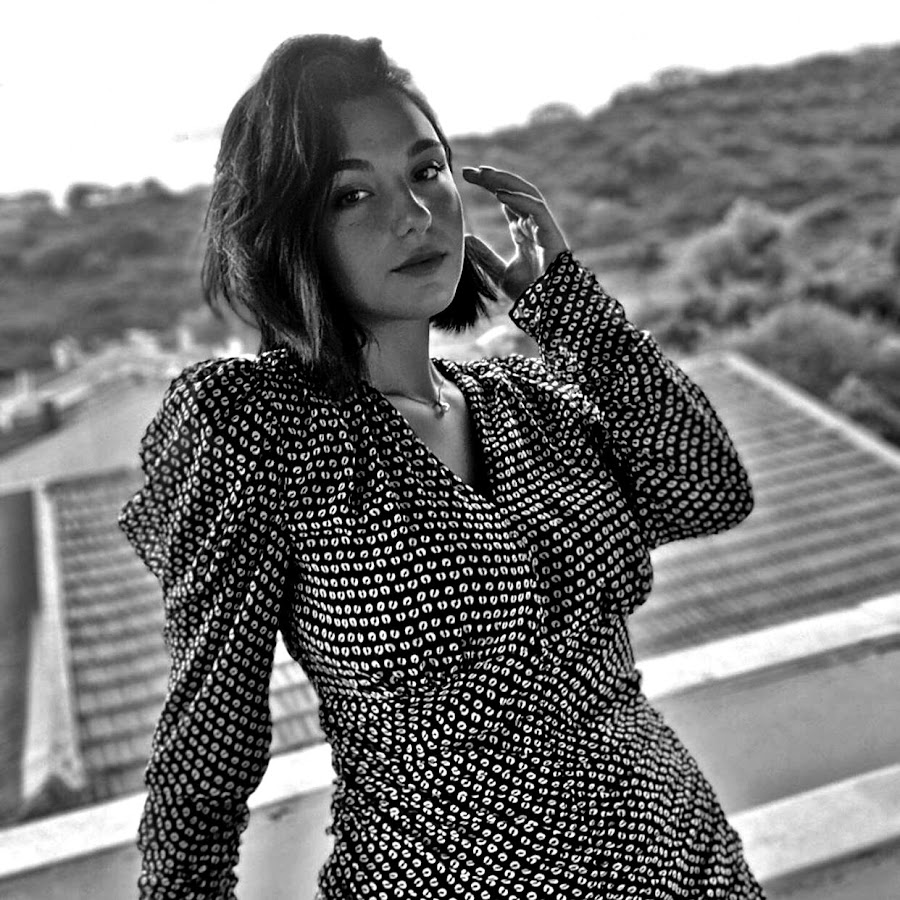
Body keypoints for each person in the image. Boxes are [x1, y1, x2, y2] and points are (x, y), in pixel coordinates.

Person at [119, 33, 764, 899]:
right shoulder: (257, 429)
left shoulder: (526, 402)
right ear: (287, 231)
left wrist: (570, 309)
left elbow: (710, 492)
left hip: (692, 866)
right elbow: (208, 745)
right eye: (351, 194)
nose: (415, 215)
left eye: (427, 171)